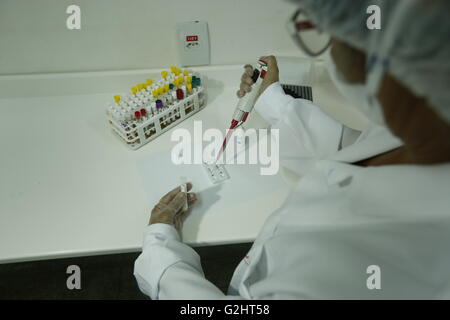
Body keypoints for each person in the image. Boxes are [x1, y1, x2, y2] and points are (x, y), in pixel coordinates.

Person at [134, 0, 450, 299]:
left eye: (333, 36)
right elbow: (352, 150)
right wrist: (271, 97)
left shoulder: (348, 268)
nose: (333, 52)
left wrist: (163, 256)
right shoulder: (426, 125)